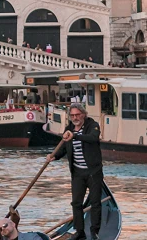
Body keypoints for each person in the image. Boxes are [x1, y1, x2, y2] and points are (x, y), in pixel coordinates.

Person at [46, 103, 103, 240]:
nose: (75, 117)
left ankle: (94, 232)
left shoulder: (92, 125)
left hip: (93, 172)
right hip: (77, 173)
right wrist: (54, 156)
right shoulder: (69, 129)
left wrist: (75, 136)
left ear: (83, 114)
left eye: (77, 114)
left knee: (95, 202)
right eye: (72, 115)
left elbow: (92, 138)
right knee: (76, 203)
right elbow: (64, 148)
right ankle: (80, 232)